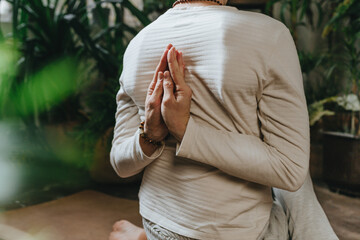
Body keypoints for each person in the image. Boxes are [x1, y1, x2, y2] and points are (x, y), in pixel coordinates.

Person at [109, 0, 339, 239]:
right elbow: (290, 171)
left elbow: (120, 164)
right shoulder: (269, 34)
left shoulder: (137, 45)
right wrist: (187, 131)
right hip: (239, 234)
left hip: (158, 224)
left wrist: (150, 135)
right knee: (294, 163)